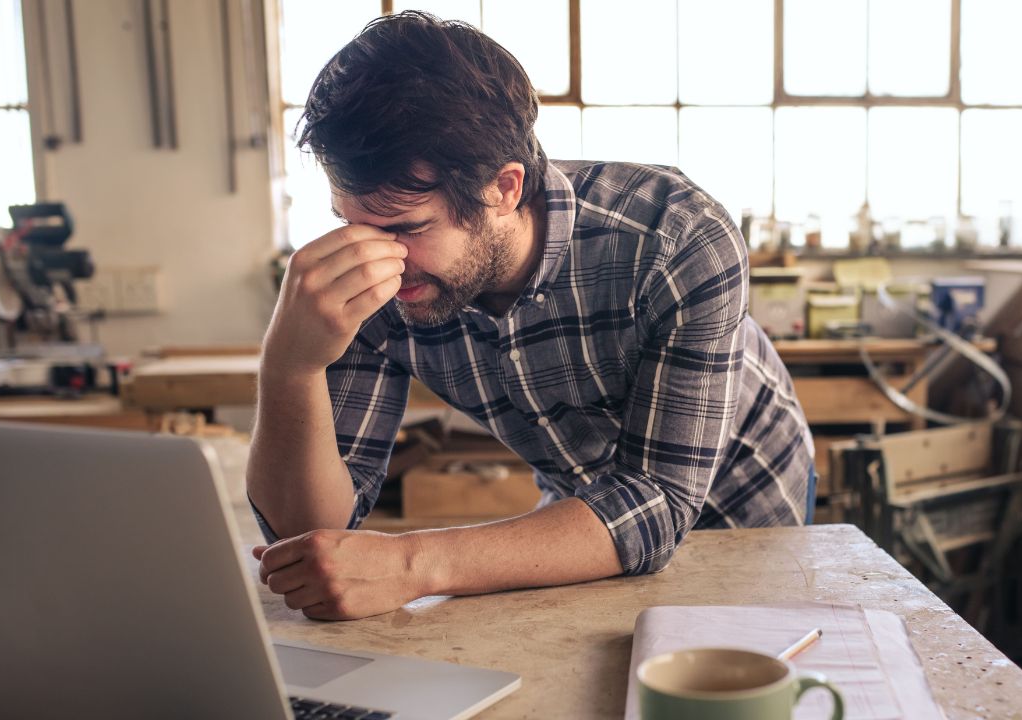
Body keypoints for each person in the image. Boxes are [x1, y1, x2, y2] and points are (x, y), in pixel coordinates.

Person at [247, 10, 814, 621]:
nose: (377, 257)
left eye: (407, 228)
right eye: (351, 222)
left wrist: (412, 564)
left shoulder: (675, 237)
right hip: (583, 513)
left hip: (748, 502)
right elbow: (309, 535)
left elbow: (657, 502)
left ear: (505, 189)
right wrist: (289, 367)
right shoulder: (377, 279)